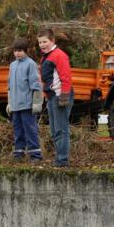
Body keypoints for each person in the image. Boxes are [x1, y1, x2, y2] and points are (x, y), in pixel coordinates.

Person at [37, 28, 74, 167]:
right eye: (40, 42)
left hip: (61, 96)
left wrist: (64, 97)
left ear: (52, 41)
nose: (42, 44)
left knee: (61, 129)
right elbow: (46, 79)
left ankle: (62, 160)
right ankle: (59, 157)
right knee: (54, 130)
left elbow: (65, 77)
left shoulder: (59, 55)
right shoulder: (46, 56)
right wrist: (46, 95)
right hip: (52, 97)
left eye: (45, 41)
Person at [6, 37, 43, 162]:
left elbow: (36, 85)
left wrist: (37, 104)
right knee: (17, 130)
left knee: (30, 129)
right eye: (15, 50)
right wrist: (9, 103)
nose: (17, 53)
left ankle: (35, 155)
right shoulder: (12, 65)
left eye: (20, 50)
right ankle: (18, 154)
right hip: (15, 105)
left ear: (26, 51)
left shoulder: (31, 64)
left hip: (27, 105)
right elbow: (9, 87)